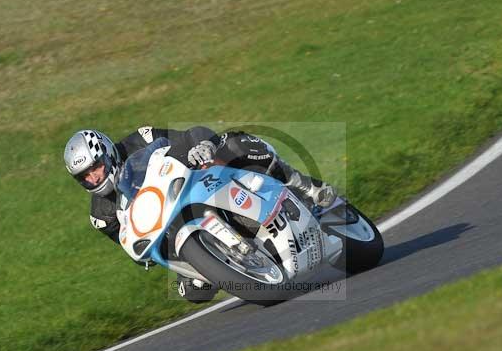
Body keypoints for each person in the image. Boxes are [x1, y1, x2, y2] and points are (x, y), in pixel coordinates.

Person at [63, 126, 336, 302]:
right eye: (84, 177)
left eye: (95, 167)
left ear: (108, 154)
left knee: (234, 144)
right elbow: (134, 247)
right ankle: (230, 264)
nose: (93, 177)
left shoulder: (140, 139)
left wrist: (200, 146)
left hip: (197, 181)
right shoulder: (101, 215)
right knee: (192, 291)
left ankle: (304, 185)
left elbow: (186, 137)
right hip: (171, 227)